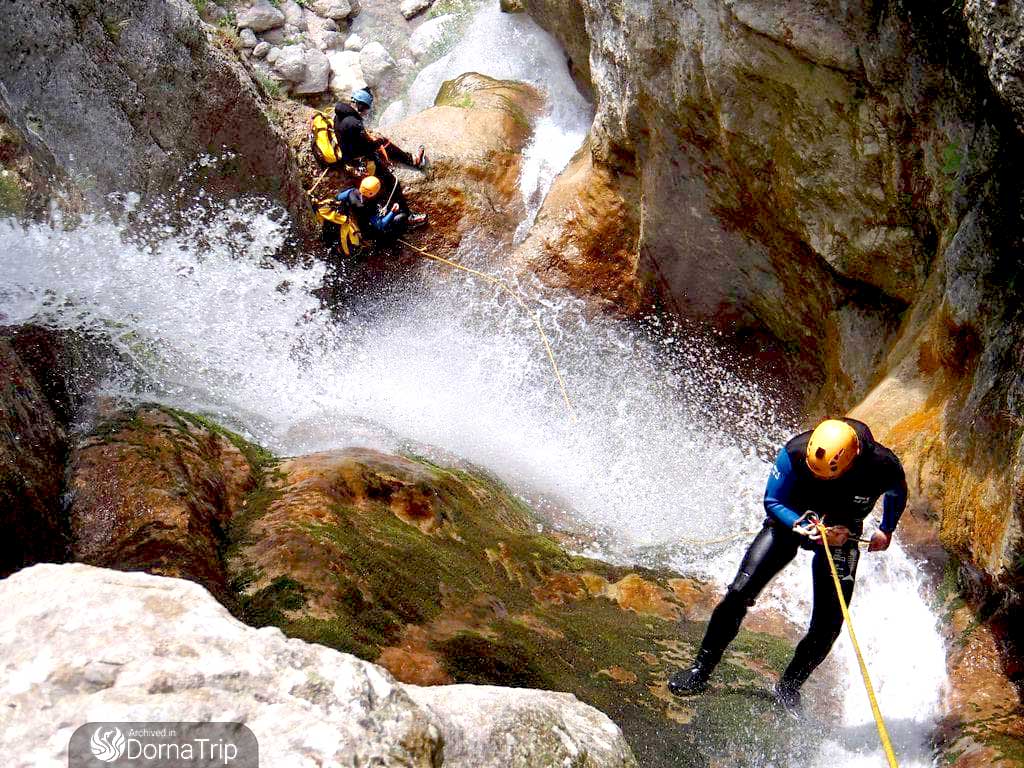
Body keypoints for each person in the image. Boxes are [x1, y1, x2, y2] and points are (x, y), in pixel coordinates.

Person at [667, 417, 907, 711]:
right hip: (789, 523)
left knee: (829, 625)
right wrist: (801, 526)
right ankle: (700, 669)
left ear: (851, 461)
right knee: (739, 593)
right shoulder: (795, 452)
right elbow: (772, 500)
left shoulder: (883, 466)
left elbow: (898, 492)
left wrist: (886, 528)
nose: (819, 478)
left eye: (826, 476)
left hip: (842, 535)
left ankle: (789, 687)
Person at [334, 89, 427, 226]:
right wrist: (378, 141)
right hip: (359, 161)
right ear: (360, 105)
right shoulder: (354, 123)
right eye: (365, 108)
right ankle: (407, 215)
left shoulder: (338, 115)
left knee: (381, 143)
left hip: (349, 156)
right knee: (392, 182)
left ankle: (413, 159)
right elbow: (368, 147)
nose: (366, 112)